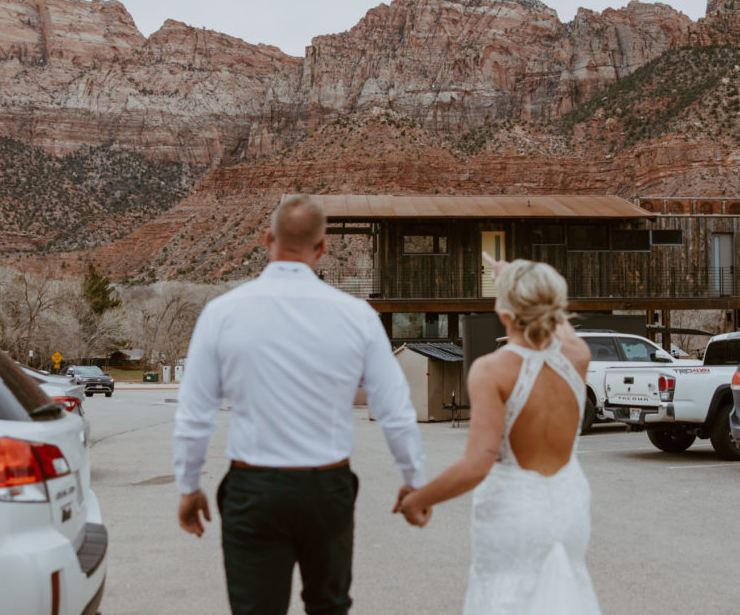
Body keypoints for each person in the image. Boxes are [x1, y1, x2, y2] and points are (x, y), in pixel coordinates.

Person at [173, 194, 425, 615]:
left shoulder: (222, 313)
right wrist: (413, 479)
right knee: (329, 606)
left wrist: (188, 486)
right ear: (322, 248)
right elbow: (395, 407)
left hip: (253, 489)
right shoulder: (356, 315)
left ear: (267, 240)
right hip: (326, 489)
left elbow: (194, 414)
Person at [397, 259, 601, 614]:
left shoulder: (492, 370)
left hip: (514, 515)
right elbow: (560, 327)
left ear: (503, 308)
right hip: (569, 508)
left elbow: (478, 463)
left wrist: (418, 499)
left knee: (505, 598)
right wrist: (524, 281)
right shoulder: (577, 355)